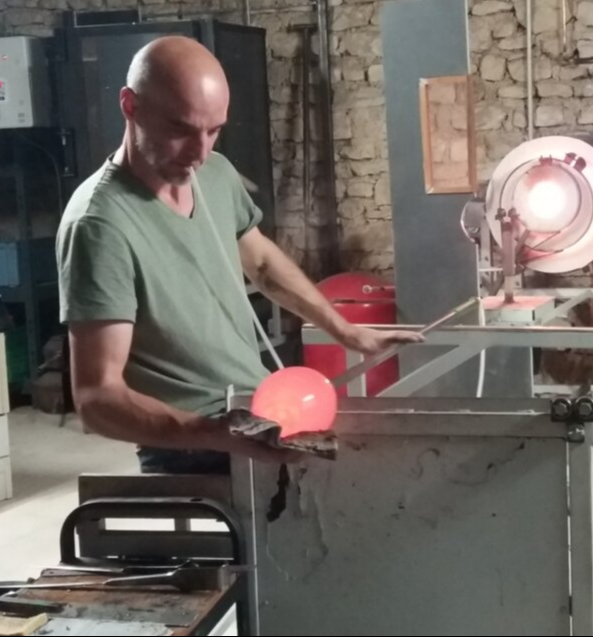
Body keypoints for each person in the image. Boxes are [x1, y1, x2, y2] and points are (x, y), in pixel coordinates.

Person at [56, 36, 420, 474]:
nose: (199, 153)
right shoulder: (99, 225)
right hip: (192, 443)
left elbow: (262, 262)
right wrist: (214, 432)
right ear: (130, 106)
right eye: (180, 130)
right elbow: (98, 398)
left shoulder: (215, 175)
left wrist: (347, 332)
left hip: (256, 411)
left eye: (214, 131)